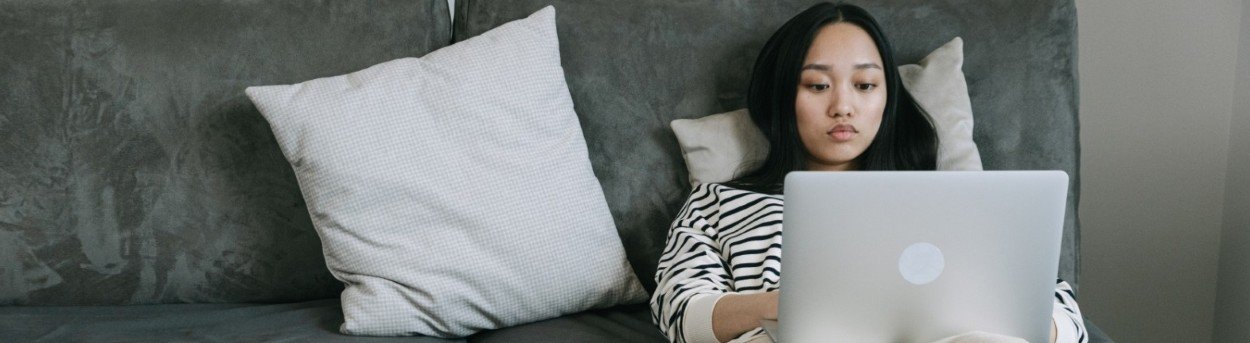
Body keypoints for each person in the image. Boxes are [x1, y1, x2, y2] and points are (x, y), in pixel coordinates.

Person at [649, 3, 1088, 343]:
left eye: (864, 85)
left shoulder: (959, 203)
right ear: (784, 96)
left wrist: (997, 319)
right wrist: (781, 306)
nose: (843, 105)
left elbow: (1063, 317)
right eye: (818, 85)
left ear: (886, 99)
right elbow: (678, 311)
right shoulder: (719, 202)